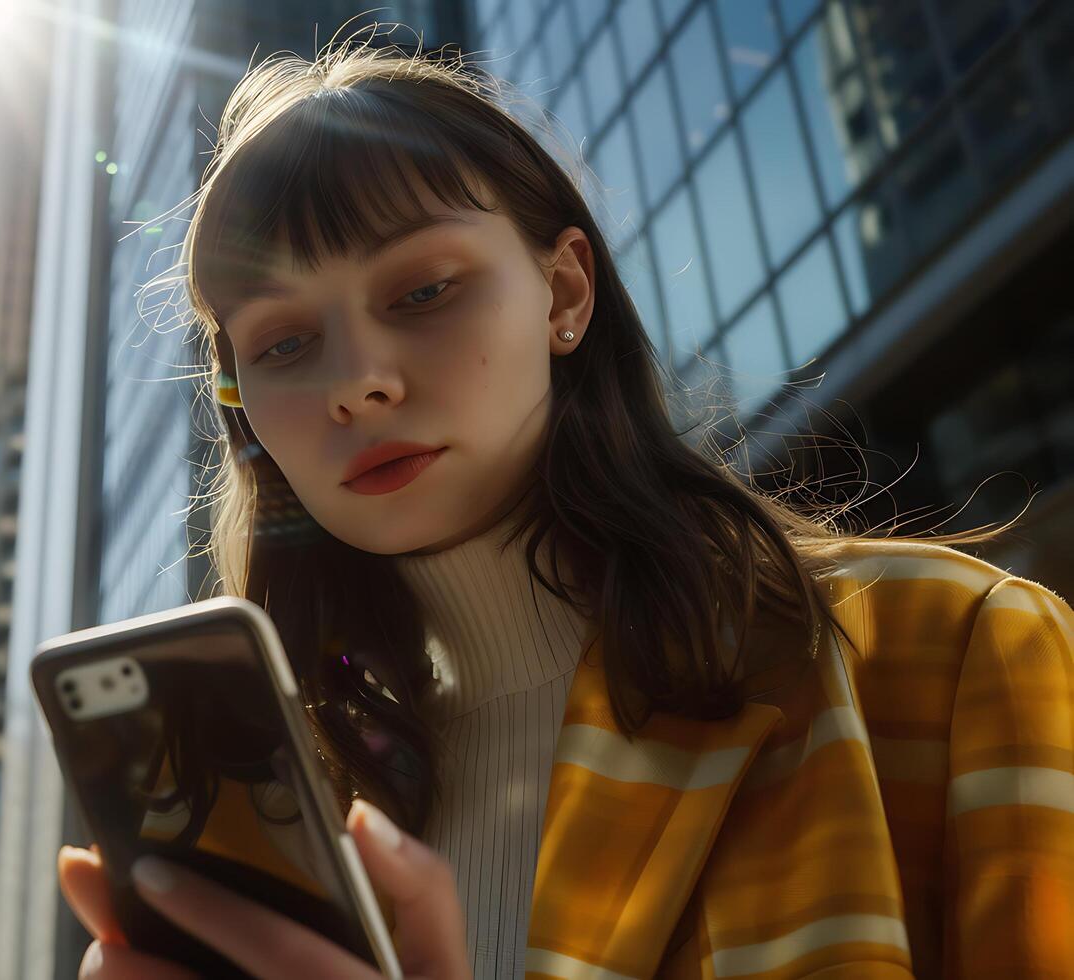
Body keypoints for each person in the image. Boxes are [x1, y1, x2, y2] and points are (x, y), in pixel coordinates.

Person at [57, 30, 1074, 980]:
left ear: (565, 292)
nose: (355, 382)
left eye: (422, 292)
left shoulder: (949, 649)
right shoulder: (298, 840)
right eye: (280, 344)